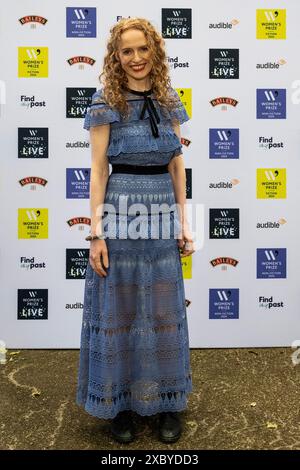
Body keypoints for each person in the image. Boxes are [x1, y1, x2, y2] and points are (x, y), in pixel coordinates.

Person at [76, 17, 195, 444]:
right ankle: (120, 405)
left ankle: (165, 402)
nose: (136, 58)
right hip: (121, 214)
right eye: (127, 50)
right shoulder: (105, 100)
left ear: (154, 51)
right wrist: (96, 234)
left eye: (142, 48)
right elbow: (97, 169)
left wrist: (184, 222)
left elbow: (177, 163)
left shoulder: (168, 99)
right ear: (116, 56)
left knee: (163, 313)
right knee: (121, 314)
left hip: (161, 215)